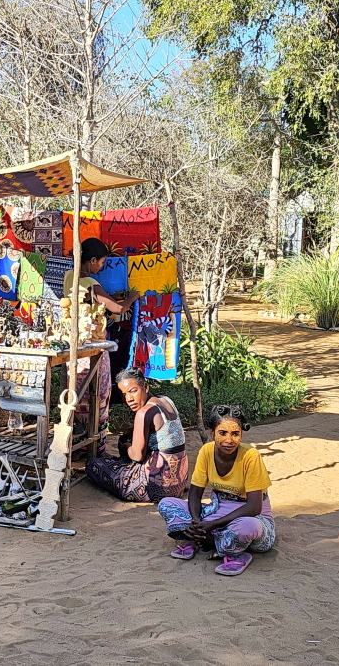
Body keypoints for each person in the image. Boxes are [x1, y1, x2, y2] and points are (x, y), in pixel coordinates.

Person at [157, 404, 276, 576]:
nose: (229, 440)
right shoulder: (206, 451)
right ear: (212, 433)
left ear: (241, 434)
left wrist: (211, 525)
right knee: (166, 504)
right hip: (217, 511)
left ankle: (209, 542)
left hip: (251, 519)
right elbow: (195, 493)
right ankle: (213, 541)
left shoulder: (251, 456)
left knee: (246, 528)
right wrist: (196, 522)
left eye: (235, 434)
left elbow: (254, 507)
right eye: (222, 433)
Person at [63, 237, 140, 444]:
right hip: (91, 349)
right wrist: (132, 297)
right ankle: (96, 445)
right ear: (93, 260)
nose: (102, 267)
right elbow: (118, 309)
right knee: (99, 394)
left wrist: (112, 298)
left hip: (74, 350)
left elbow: (92, 301)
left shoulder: (69, 277)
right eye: (102, 263)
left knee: (77, 397)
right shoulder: (89, 282)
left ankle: (76, 442)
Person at [86, 368, 189, 502]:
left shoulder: (144, 413)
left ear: (145, 387)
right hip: (179, 482)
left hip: (157, 487)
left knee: (93, 464)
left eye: (133, 391)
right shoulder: (165, 400)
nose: (128, 399)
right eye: (123, 394)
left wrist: (125, 447)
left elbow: (137, 456)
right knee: (125, 442)